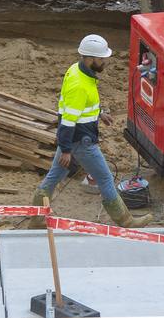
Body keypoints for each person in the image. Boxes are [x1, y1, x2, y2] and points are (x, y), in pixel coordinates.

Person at [30, 34, 153, 228]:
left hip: (73, 140)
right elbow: (69, 120)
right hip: (81, 141)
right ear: (90, 58)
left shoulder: (78, 71)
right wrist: (67, 149)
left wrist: (99, 113)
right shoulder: (79, 85)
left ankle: (36, 219)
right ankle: (126, 221)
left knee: (54, 177)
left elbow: (81, 107)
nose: (105, 61)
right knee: (105, 178)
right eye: (102, 58)